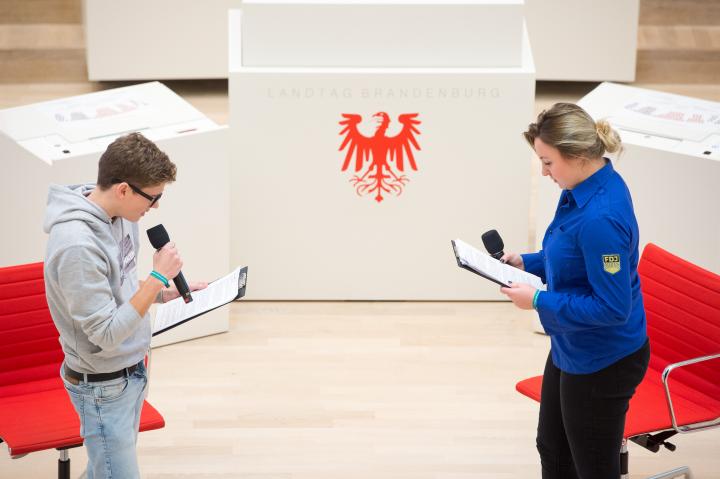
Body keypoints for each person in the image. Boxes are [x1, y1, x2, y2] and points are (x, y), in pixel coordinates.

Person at [43, 132, 206, 478]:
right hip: (102, 384)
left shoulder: (123, 217)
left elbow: (124, 293)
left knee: (107, 470)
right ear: (123, 190)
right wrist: (157, 279)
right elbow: (105, 333)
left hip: (132, 371)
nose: (155, 207)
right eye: (153, 198)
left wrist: (163, 292)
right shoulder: (77, 246)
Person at [500, 103, 650, 478]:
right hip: (573, 345)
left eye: (548, 162)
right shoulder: (586, 185)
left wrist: (536, 300)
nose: (544, 171)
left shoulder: (601, 218)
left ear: (579, 155)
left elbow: (612, 308)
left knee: (593, 468)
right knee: (553, 448)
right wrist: (527, 263)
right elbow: (571, 257)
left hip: (603, 361)